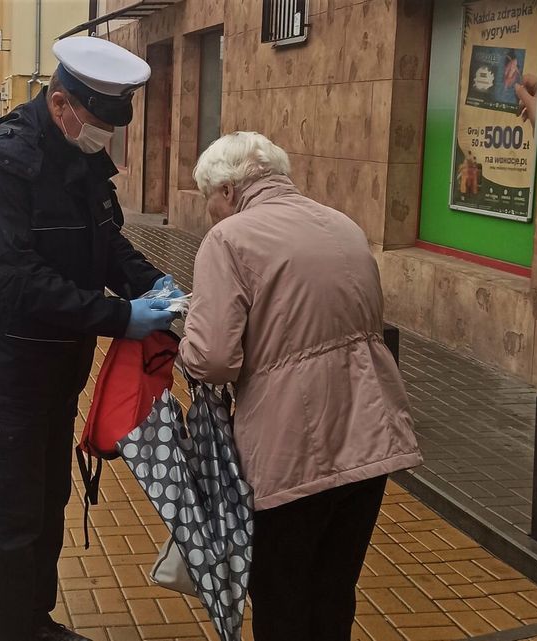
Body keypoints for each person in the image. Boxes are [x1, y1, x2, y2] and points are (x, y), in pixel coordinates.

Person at [0, 36, 178, 641]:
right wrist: (116, 317)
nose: (106, 134)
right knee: (11, 520)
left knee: (48, 506)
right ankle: (2, 633)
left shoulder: (81, 164)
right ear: (61, 104)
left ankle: (33, 623)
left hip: (56, 374)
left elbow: (108, 247)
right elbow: (13, 281)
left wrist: (158, 286)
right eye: (99, 120)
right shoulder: (2, 166)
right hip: (4, 374)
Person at [179, 131, 423, 641]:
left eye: (208, 201)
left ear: (226, 190)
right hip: (371, 436)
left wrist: (182, 342)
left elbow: (215, 359)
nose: (211, 214)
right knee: (333, 589)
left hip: (290, 448)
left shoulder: (229, 239)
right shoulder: (344, 225)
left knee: (281, 595)